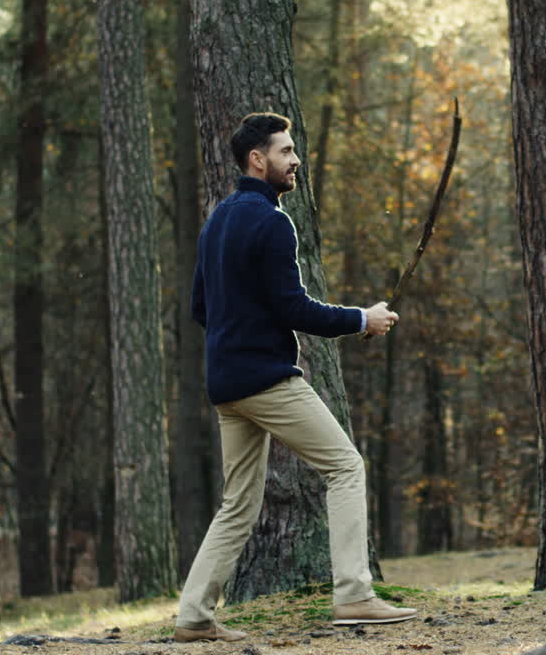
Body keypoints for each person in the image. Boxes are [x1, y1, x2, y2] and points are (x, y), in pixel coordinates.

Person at [175, 112, 417, 643]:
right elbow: (295, 308)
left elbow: (200, 308)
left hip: (225, 385)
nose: (296, 161)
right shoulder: (271, 221)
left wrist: (239, 329)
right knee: (346, 466)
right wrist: (363, 319)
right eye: (286, 152)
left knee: (237, 504)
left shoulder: (216, 221)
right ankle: (355, 594)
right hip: (265, 380)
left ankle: (193, 615)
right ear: (256, 160)